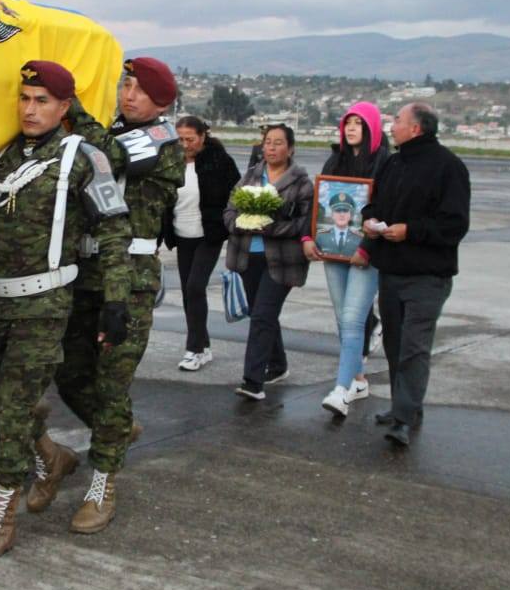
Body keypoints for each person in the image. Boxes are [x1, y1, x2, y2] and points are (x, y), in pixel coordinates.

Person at [0, 60, 131, 564]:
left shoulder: (83, 157)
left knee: (13, 407)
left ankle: (0, 515)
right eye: (25, 99)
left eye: (42, 101)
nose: (30, 109)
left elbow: (114, 230)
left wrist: (117, 299)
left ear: (64, 107)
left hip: (42, 307)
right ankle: (53, 457)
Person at [34, 56, 184, 534]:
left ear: (162, 102)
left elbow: (111, 159)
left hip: (131, 280)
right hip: (85, 271)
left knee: (112, 381)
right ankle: (113, 429)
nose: (128, 94)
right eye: (125, 85)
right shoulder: (117, 129)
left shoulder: (163, 142)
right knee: (70, 372)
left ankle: (103, 485)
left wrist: (68, 102)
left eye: (139, 89)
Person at [361, 102, 470, 446]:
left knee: (414, 346)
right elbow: (374, 203)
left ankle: (405, 419)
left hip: (427, 275)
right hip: (391, 271)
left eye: (397, 120)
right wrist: (370, 220)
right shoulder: (393, 163)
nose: (391, 125)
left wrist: (411, 231)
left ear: (417, 128)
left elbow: (454, 225)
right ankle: (403, 406)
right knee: (394, 343)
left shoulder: (449, 167)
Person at [306, 101, 388, 416]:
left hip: (366, 254)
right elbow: (318, 204)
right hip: (333, 251)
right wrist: (308, 237)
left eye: (359, 123)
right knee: (343, 319)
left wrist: (366, 247)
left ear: (372, 128)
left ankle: (341, 390)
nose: (351, 128)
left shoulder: (384, 163)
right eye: (348, 123)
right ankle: (358, 379)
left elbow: (386, 208)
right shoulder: (334, 160)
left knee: (354, 319)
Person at [224, 124, 313, 401]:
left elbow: (304, 222)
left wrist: (271, 227)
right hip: (248, 256)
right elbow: (229, 211)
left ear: (291, 148)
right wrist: (239, 223)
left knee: (262, 314)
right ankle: (278, 364)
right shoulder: (250, 176)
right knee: (261, 313)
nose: (271, 148)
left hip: (282, 260)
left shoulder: (301, 183)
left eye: (277, 143)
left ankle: (253, 380)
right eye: (267, 142)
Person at [167, 115, 239, 371]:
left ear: (203, 137)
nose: (185, 144)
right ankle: (204, 344)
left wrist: (231, 226)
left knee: (196, 287)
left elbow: (236, 193)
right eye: (180, 139)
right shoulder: (170, 161)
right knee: (188, 292)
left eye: (190, 139)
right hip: (181, 233)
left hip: (208, 234)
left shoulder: (218, 161)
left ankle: (194, 348)